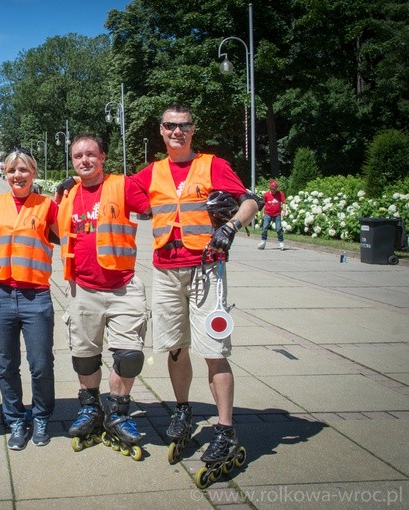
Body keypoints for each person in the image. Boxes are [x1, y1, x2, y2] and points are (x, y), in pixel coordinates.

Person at [128, 104, 259, 471]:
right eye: (170, 126)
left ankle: (226, 430)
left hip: (206, 269)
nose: (177, 132)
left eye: (183, 126)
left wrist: (230, 227)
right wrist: (74, 187)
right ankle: (183, 411)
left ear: (192, 130)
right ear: (161, 130)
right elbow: (115, 192)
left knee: (214, 349)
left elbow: (250, 200)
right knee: (174, 347)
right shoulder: (151, 173)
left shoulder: (212, 165)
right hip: (166, 271)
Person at [56, 134, 149, 458]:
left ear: (102, 157)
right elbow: (52, 230)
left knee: (129, 356)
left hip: (122, 286)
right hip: (83, 289)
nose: (84, 160)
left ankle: (119, 413)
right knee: (85, 356)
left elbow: (160, 205)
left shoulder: (121, 186)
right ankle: (91, 408)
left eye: (90, 154)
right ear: (73, 161)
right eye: (78, 156)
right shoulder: (67, 195)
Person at [0, 148, 58, 450]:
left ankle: (40, 416)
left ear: (34, 173)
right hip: (0, 295)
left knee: (40, 364)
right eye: (13, 170)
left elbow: (70, 235)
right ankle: (15, 418)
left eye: (24, 170)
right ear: (5, 174)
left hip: (36, 297)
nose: (18, 175)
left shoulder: (47, 206)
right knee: (6, 365)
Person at [258, 180, 286, 250]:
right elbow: (265, 204)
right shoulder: (266, 195)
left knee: (278, 228)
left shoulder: (280, 194)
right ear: (270, 188)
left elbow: (283, 203)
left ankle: (281, 241)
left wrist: (284, 211)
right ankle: (263, 241)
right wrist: (263, 213)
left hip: (277, 214)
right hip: (268, 213)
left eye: (275, 189)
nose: (273, 191)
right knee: (265, 228)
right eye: (272, 189)